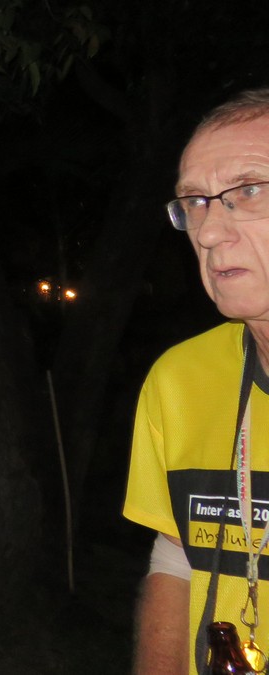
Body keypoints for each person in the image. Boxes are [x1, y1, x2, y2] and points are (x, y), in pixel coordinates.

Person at [124, 87, 269, 675]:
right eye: (196, 202)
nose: (208, 233)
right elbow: (176, 557)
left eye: (249, 190)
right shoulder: (178, 380)